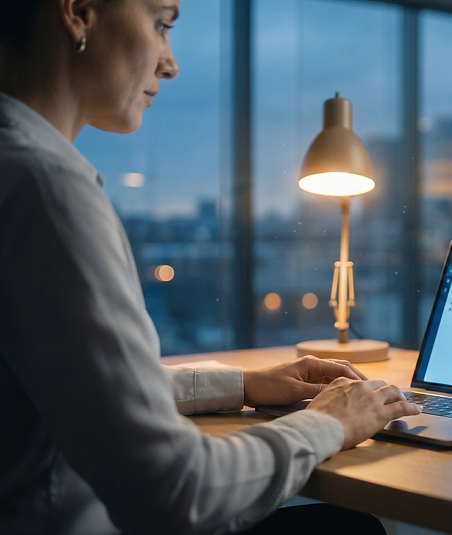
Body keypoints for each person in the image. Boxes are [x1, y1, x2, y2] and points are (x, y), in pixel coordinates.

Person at [0, 0, 420, 533]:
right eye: (161, 24)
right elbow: (178, 491)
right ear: (79, 11)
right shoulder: (46, 190)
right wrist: (329, 424)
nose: (170, 64)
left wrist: (245, 385)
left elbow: (78, 386)